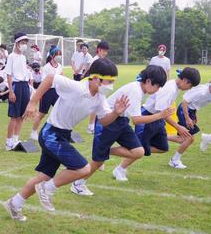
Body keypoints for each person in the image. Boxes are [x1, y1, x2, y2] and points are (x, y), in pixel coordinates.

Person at [4, 58, 129, 221]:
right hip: (51, 134)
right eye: (109, 80)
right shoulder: (76, 87)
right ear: (96, 78)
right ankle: (47, 189)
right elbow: (50, 79)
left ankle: (14, 203)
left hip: (61, 135)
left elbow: (104, 120)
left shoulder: (99, 98)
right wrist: (32, 102)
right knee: (83, 169)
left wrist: (116, 112)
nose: (111, 85)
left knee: (43, 176)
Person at [71, 66, 173, 194]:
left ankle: (105, 151)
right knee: (98, 161)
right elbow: (136, 120)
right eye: (158, 85)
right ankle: (78, 184)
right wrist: (160, 115)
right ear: (148, 81)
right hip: (107, 120)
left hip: (121, 121)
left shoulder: (139, 89)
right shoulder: (135, 90)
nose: (158, 89)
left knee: (138, 151)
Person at [135, 67, 201, 167]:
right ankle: (120, 166)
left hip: (157, 118)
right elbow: (162, 112)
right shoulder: (170, 89)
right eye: (190, 86)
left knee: (162, 147)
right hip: (147, 117)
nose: (190, 89)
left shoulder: (175, 87)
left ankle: (137, 147)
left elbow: (162, 113)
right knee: (137, 149)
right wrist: (178, 127)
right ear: (185, 81)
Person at [167, 81, 211, 167]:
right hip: (184, 110)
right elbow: (185, 102)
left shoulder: (207, 90)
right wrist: (187, 118)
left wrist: (195, 114)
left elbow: (196, 103)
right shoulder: (202, 92)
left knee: (182, 139)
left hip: (191, 110)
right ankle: (174, 161)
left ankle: (159, 136)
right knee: (189, 138)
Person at [5, 32, 32, 150]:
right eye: (22, 43)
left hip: (24, 86)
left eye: (25, 43)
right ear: (16, 44)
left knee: (22, 115)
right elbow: (9, 74)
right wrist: (11, 91)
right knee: (14, 116)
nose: (24, 45)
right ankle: (8, 142)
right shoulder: (11, 57)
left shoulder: (23, 57)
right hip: (16, 86)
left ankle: (16, 139)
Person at [30, 46, 63, 140]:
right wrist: (56, 78)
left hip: (57, 91)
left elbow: (61, 78)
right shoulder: (46, 67)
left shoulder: (60, 66)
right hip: (47, 91)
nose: (59, 57)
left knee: (60, 112)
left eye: (60, 55)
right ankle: (34, 132)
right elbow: (44, 81)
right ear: (52, 56)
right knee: (42, 114)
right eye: (57, 55)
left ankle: (57, 132)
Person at [86, 41, 110, 134]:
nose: (105, 53)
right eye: (103, 51)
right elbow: (92, 76)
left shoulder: (100, 60)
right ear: (99, 50)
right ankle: (91, 126)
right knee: (96, 106)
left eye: (106, 51)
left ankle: (94, 126)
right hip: (95, 87)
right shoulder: (95, 60)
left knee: (100, 106)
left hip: (100, 87)